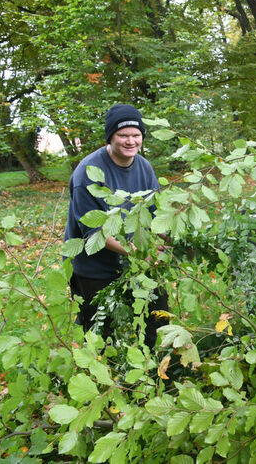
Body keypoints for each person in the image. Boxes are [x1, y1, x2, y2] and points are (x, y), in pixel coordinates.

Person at [64, 103, 168, 347]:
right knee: (101, 335)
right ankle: (103, 381)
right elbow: (94, 234)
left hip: (137, 262)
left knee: (159, 320)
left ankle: (162, 373)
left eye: (136, 135)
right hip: (95, 270)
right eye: (123, 135)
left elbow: (155, 214)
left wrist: (171, 243)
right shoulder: (87, 174)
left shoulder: (144, 166)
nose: (130, 141)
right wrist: (140, 254)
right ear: (110, 137)